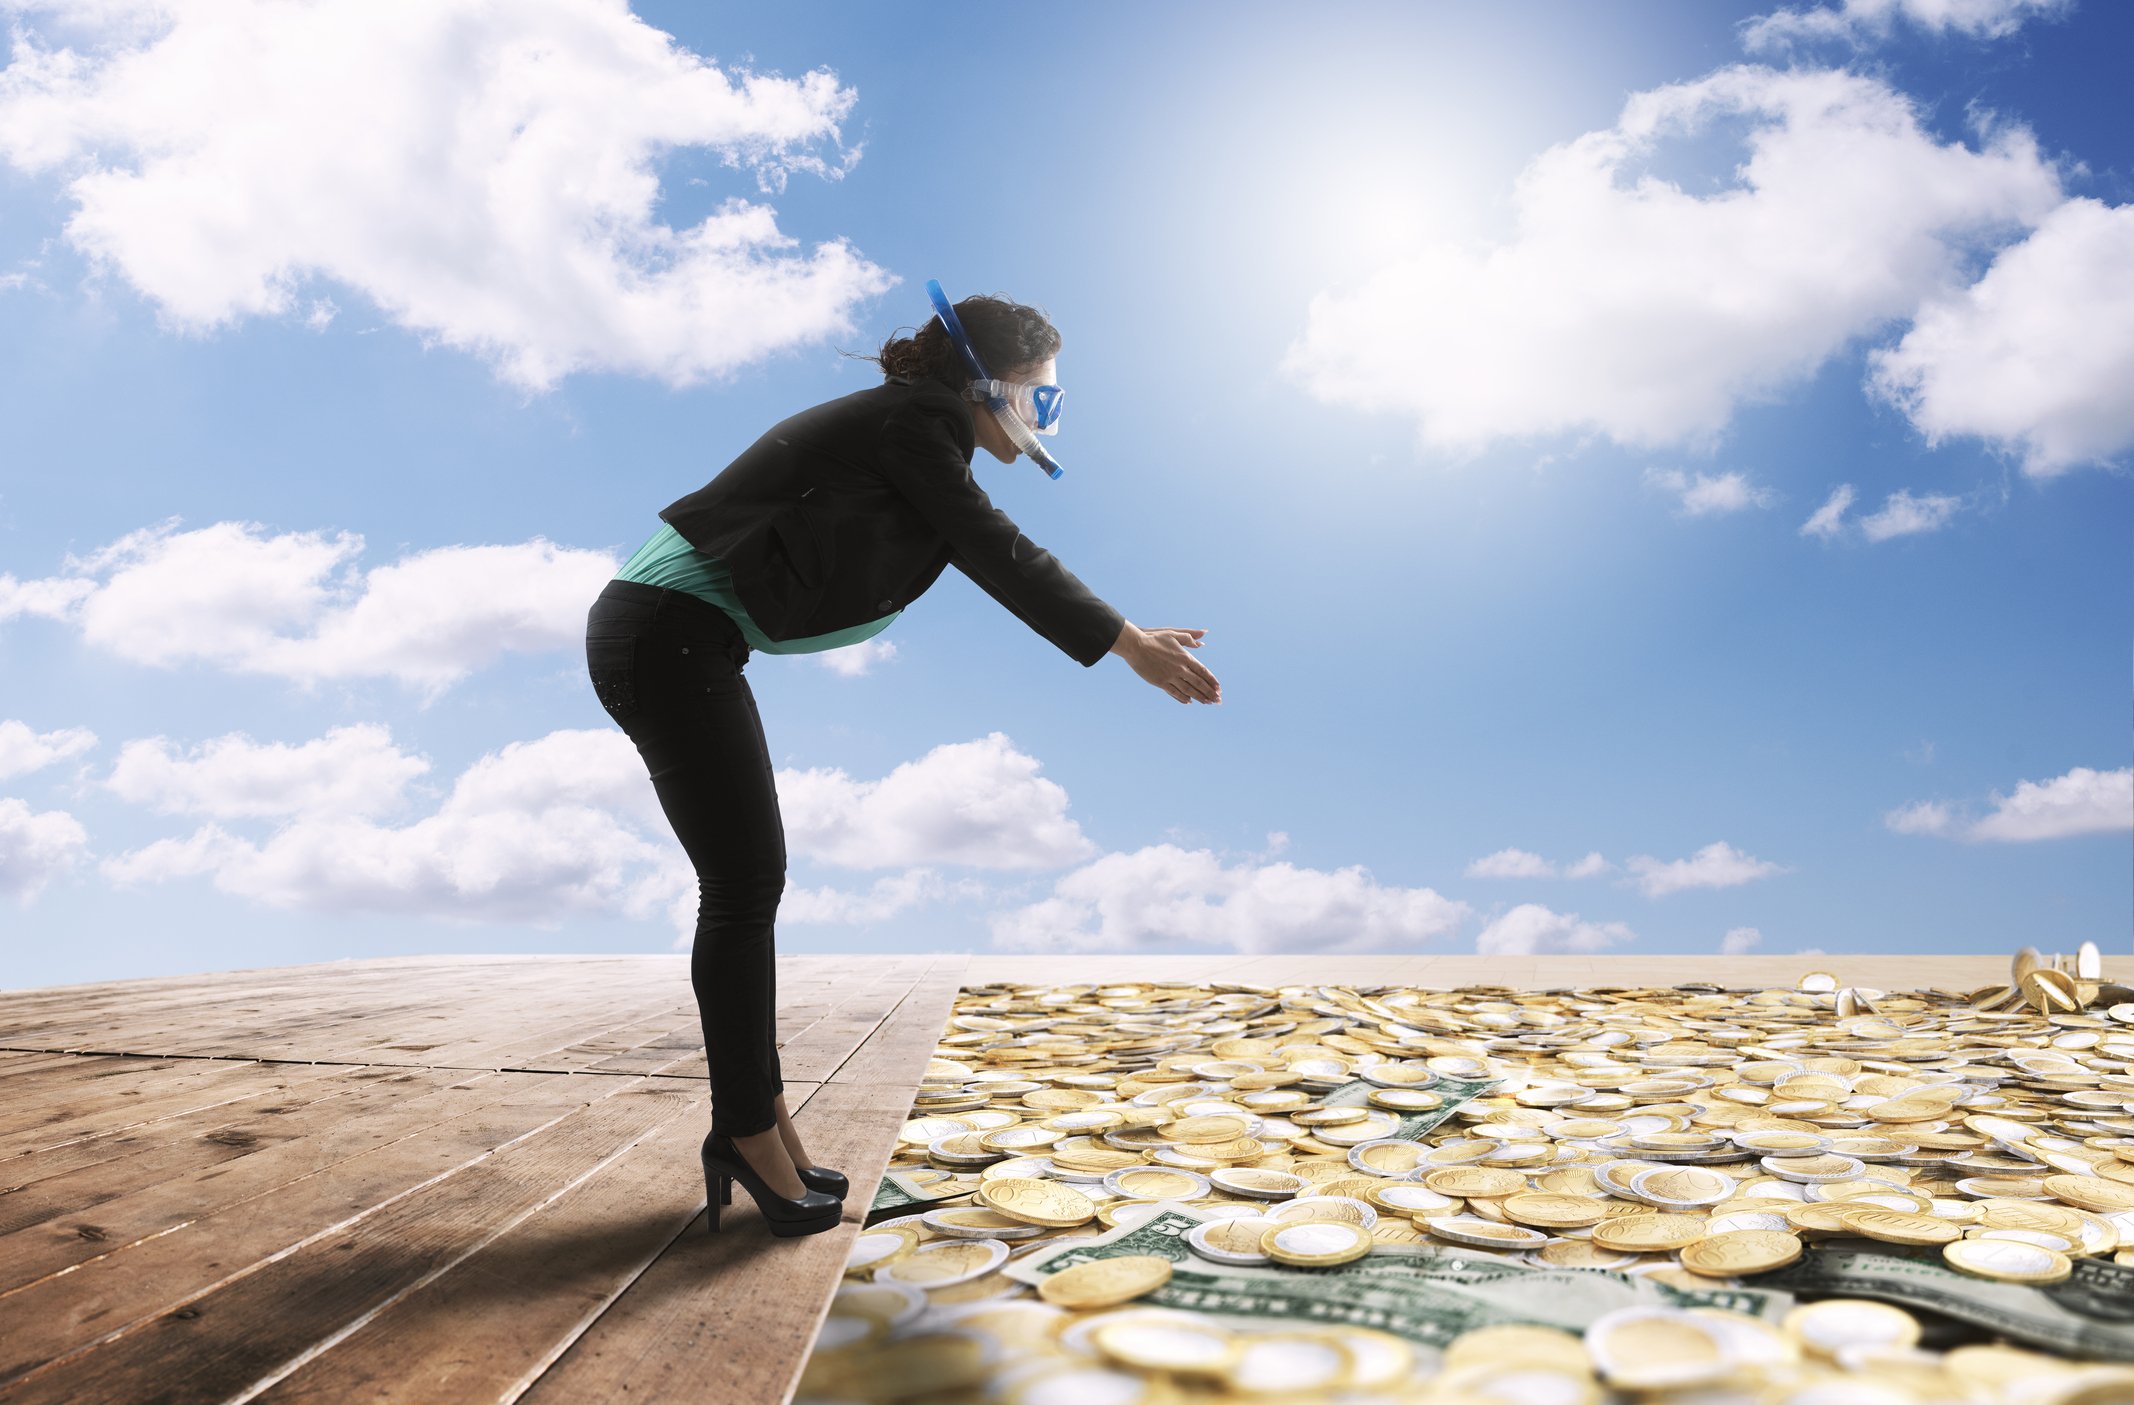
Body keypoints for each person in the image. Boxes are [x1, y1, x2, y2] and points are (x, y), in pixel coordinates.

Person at [582, 288, 1222, 1239]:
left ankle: (765, 1126)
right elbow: (995, 547)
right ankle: (746, 1133)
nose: (1045, 419)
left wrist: (1119, 631)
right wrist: (1124, 642)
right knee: (744, 883)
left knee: (750, 883)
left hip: (677, 637)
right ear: (983, 384)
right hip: (666, 635)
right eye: (1040, 397)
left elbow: (970, 542)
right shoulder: (919, 420)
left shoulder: (915, 434)